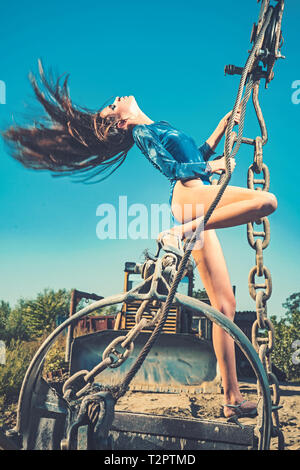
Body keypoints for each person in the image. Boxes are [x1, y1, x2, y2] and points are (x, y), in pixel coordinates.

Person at [2, 62, 278, 422]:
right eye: (112, 106)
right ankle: (181, 232)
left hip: (196, 208)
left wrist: (219, 131)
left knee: (224, 306)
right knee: (266, 202)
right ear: (120, 123)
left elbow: (194, 156)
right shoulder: (142, 132)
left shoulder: (158, 126)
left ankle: (232, 399)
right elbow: (172, 167)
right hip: (189, 199)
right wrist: (209, 171)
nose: (116, 100)